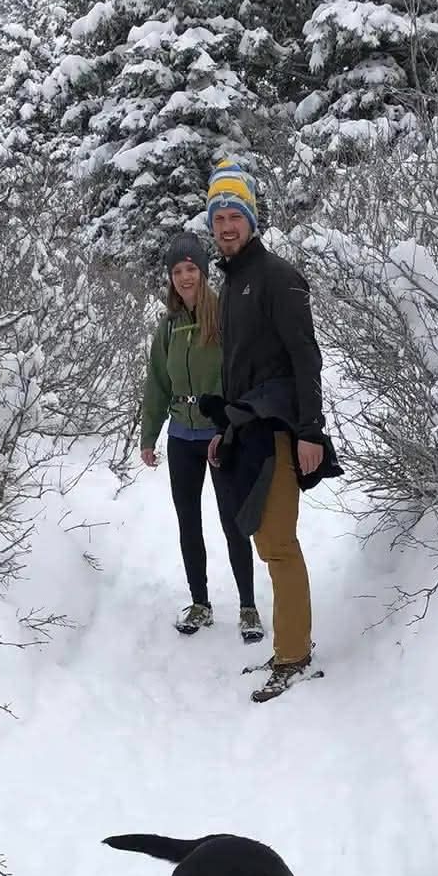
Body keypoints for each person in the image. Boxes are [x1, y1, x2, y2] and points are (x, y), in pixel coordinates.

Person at [200, 158, 340, 703]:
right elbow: (241, 371)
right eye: (218, 217)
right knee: (266, 541)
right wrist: (224, 429)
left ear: (253, 219)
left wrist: (310, 430)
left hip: (281, 429)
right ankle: (288, 645)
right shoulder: (233, 284)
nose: (227, 225)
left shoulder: (278, 277)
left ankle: (294, 655)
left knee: (278, 544)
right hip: (249, 430)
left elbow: (306, 357)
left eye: (236, 214)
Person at [140, 233, 263, 643]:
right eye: (177, 271)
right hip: (181, 436)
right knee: (188, 522)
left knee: (232, 521)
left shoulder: (223, 315)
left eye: (191, 268)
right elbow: (157, 383)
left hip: (219, 436)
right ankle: (201, 603)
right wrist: (148, 436)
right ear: (171, 278)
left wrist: (234, 423)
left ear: (204, 272)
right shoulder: (169, 326)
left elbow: (243, 372)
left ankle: (248, 607)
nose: (185, 277)